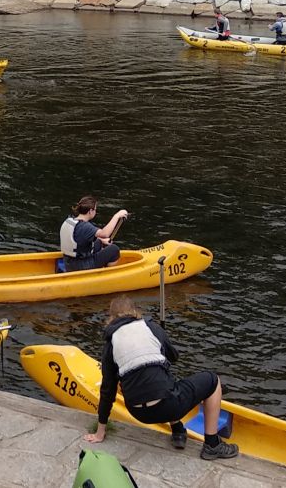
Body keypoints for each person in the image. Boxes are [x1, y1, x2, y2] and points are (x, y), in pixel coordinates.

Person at [85, 295, 239, 461]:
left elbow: (107, 390)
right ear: (135, 312)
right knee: (212, 380)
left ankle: (178, 430)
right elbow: (174, 357)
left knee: (156, 380)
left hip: (137, 412)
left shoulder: (110, 344)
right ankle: (212, 445)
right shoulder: (151, 328)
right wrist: (162, 339)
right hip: (168, 405)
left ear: (111, 318)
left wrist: (100, 431)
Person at [60, 196, 128, 272]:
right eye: (95, 210)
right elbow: (105, 234)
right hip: (81, 266)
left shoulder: (70, 221)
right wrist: (117, 216)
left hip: (68, 263)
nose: (95, 212)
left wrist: (102, 241)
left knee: (98, 242)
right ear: (90, 211)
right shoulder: (85, 227)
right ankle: (107, 275)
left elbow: (79, 238)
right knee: (114, 249)